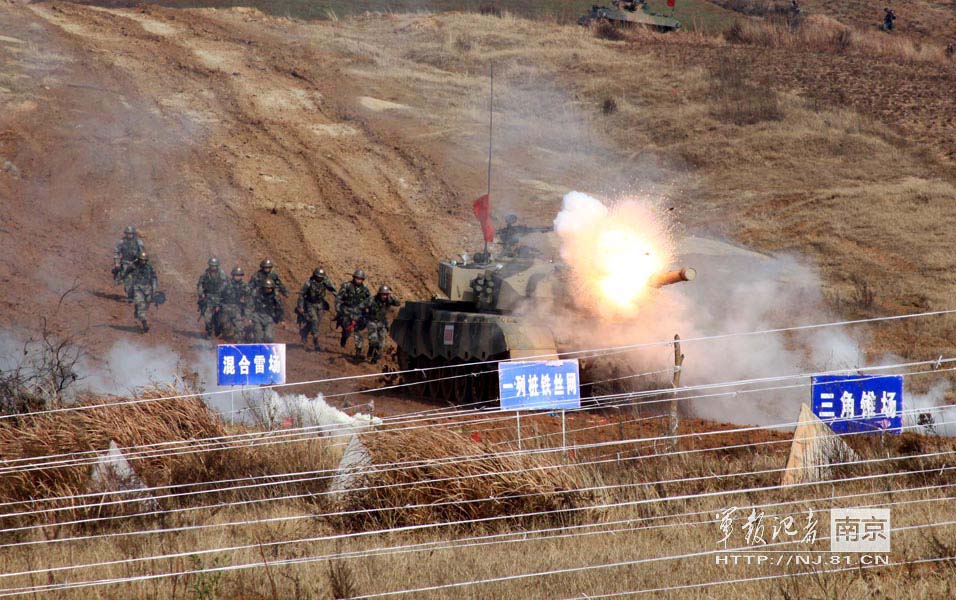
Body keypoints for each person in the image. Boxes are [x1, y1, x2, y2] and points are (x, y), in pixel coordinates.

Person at [296, 267, 337, 352]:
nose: (320, 278)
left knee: (316, 323)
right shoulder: (309, 283)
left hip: (320, 304)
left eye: (321, 277)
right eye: (318, 276)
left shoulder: (325, 281)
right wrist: (300, 306)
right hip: (310, 304)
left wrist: (338, 297)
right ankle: (316, 341)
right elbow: (301, 294)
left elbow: (332, 289)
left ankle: (304, 332)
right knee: (314, 320)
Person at [336, 268, 372, 360]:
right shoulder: (346, 286)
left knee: (359, 333)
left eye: (360, 279)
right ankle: (344, 338)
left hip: (359, 314)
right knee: (347, 331)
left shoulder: (365, 290)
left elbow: (370, 301)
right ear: (354, 278)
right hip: (347, 311)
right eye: (357, 278)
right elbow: (339, 298)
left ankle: (358, 352)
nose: (358, 280)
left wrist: (369, 311)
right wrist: (338, 309)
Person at [120, 251, 158, 333]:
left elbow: (154, 277)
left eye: (144, 260)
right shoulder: (134, 265)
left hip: (148, 290)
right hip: (137, 288)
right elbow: (125, 273)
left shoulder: (149, 267)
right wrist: (122, 277)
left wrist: (154, 289)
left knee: (145, 306)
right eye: (141, 260)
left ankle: (138, 312)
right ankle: (144, 323)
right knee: (141, 305)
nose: (142, 261)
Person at [364, 285, 400, 364]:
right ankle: (371, 348)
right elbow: (362, 306)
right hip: (372, 322)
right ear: (379, 294)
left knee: (381, 344)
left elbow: (398, 303)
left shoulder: (389, 300)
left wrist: (391, 295)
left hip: (382, 323)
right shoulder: (372, 300)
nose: (384, 296)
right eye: (383, 294)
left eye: (386, 294)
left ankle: (375, 358)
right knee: (374, 341)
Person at [196, 257, 227, 338]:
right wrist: (201, 293)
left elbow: (225, 284)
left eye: (215, 265)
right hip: (208, 297)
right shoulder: (205, 274)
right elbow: (200, 285)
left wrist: (222, 295)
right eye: (212, 265)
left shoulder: (221, 273)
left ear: (217, 266)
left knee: (220, 317)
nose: (213, 267)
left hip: (219, 297)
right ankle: (209, 331)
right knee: (207, 317)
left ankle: (219, 331)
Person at [112, 226, 145, 302]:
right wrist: (116, 263)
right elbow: (117, 252)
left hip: (136, 263)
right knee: (128, 280)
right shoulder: (122, 242)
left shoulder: (138, 242)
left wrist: (141, 263)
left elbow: (143, 253)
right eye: (127, 233)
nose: (129, 235)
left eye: (130, 233)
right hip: (125, 264)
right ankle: (131, 296)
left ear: (133, 234)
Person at [219, 266, 250, 342]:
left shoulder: (244, 286)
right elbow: (219, 294)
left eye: (240, 275)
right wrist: (218, 305)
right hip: (226, 308)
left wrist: (245, 302)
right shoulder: (226, 284)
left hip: (237, 308)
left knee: (239, 328)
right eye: (236, 275)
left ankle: (238, 343)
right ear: (233, 275)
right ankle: (227, 338)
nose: (238, 277)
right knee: (226, 327)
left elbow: (249, 297)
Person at [248, 278, 284, 343]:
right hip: (257, 316)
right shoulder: (256, 293)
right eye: (267, 288)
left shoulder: (275, 296)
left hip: (269, 317)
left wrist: (281, 319)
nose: (269, 290)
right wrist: (249, 317)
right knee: (258, 337)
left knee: (269, 337)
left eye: (270, 288)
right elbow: (250, 305)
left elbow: (279, 308)